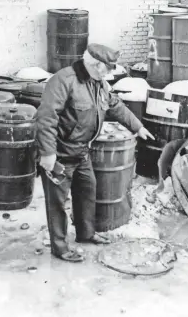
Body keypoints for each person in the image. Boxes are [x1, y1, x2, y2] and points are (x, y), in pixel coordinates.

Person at [35, 43, 155, 262]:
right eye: (108, 68)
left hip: (82, 153)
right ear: (97, 65)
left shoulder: (99, 83)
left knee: (87, 194)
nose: (110, 72)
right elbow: (46, 118)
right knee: (57, 204)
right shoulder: (63, 81)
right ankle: (60, 248)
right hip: (61, 154)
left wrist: (138, 126)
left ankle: (86, 234)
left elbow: (115, 105)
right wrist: (48, 154)